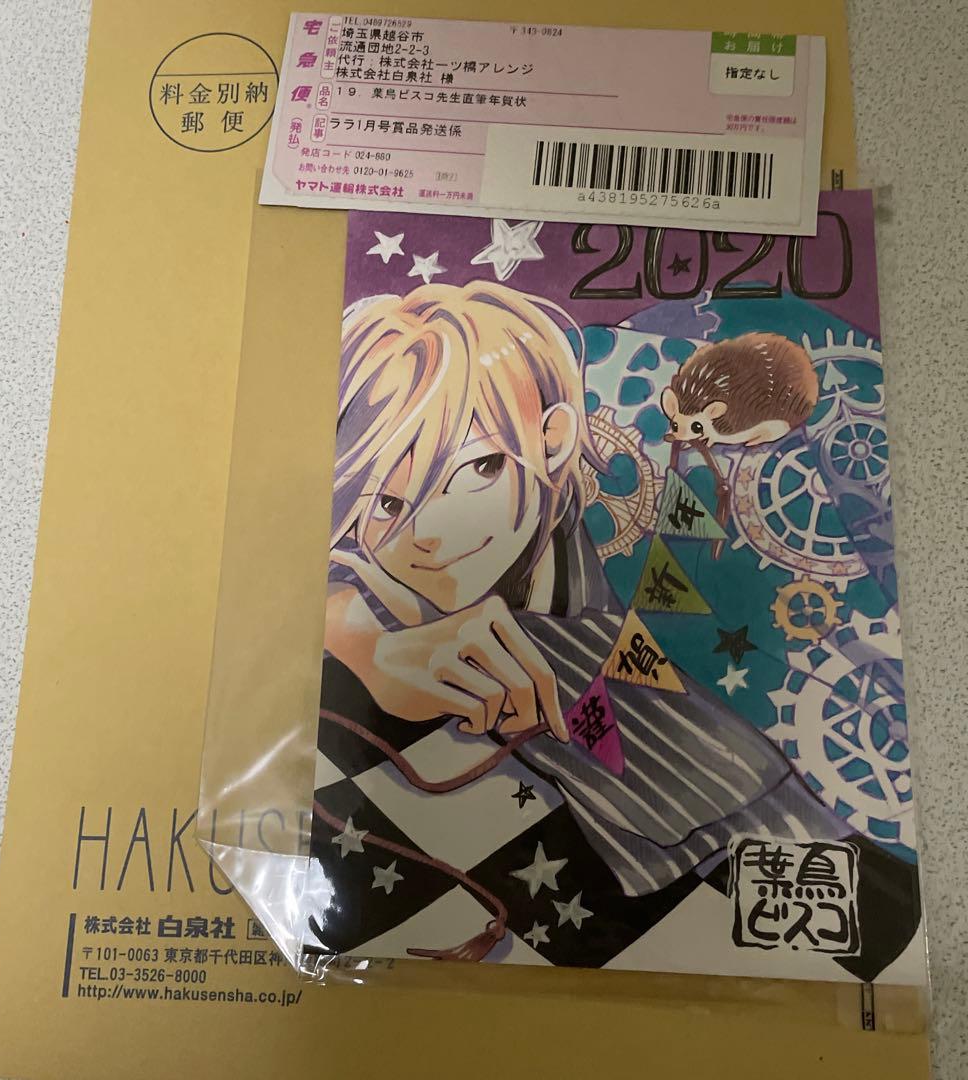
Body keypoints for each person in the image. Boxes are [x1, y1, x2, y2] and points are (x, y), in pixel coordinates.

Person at [319, 281, 916, 975]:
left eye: (479, 469)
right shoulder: (372, 576)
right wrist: (357, 638)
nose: (429, 532)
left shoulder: (629, 498)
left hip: (776, 828)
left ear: (553, 440)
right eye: (387, 501)